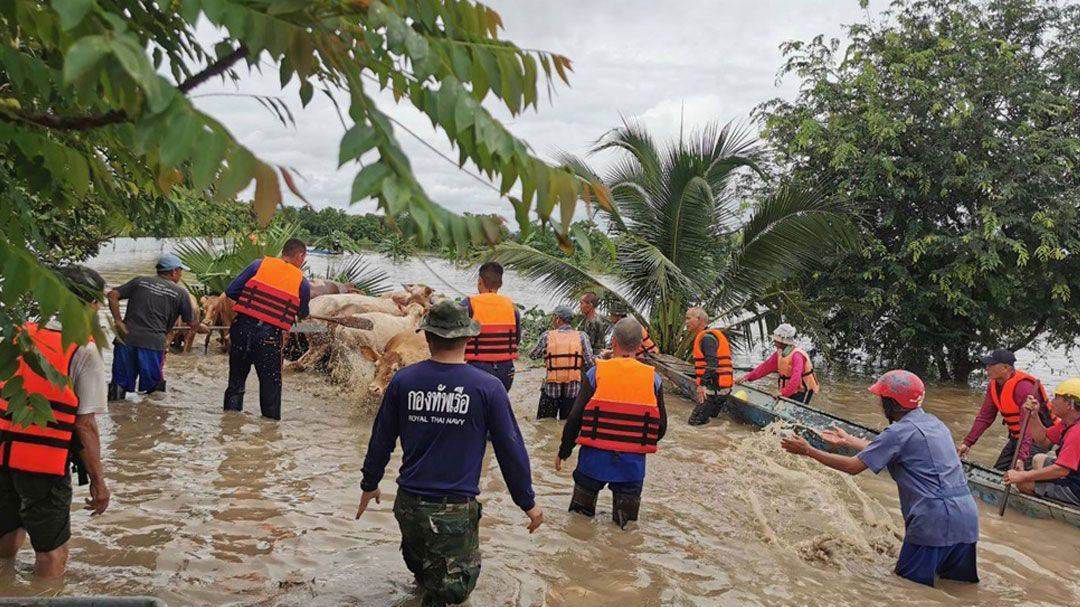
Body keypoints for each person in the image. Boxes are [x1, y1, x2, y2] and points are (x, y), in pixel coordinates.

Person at [356, 300, 543, 607]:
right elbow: (511, 451)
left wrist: (370, 484)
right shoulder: (489, 388)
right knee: (453, 590)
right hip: (453, 511)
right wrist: (528, 503)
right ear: (469, 339)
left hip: (409, 507)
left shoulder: (403, 380)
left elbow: (381, 439)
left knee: (425, 575)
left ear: (427, 338)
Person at [780, 370, 979, 588]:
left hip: (933, 520)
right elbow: (892, 449)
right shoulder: (936, 424)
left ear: (891, 403)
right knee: (960, 590)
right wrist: (849, 440)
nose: (879, 404)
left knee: (908, 590)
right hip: (967, 516)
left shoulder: (898, 432)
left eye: (881, 400)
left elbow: (854, 466)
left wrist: (808, 450)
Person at [0, 265, 111, 578]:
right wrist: (99, 483)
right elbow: (85, 425)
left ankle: (7, 587)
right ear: (88, 305)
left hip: (2, 453)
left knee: (6, 533)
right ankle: (43, 597)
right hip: (42, 464)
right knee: (52, 550)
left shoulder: (19, 333)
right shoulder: (84, 350)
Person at [555, 318, 667, 529]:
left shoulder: (595, 373)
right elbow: (660, 427)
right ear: (639, 345)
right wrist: (634, 442)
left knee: (579, 521)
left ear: (613, 341)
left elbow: (575, 418)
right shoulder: (653, 379)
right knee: (625, 528)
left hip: (592, 461)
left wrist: (564, 451)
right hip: (631, 466)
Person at [223, 239, 311, 420]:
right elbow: (302, 313)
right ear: (300, 256)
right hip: (268, 338)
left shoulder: (258, 265)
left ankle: (229, 425)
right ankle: (268, 435)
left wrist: (255, 303)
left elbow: (231, 291)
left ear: (283, 251)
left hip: (241, 331)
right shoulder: (301, 282)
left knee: (236, 383)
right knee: (271, 387)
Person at [106, 253, 203, 400]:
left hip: (125, 339)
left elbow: (112, 295)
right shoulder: (180, 293)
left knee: (118, 386)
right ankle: (152, 419)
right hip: (152, 344)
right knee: (154, 390)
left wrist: (118, 321)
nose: (181, 275)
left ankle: (117, 418)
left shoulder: (139, 281)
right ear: (173, 271)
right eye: (180, 271)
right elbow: (191, 323)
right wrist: (203, 328)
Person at [957, 349, 1052, 470]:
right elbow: (985, 418)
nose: (987, 368)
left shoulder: (1023, 387)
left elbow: (1027, 426)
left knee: (1019, 475)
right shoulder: (993, 385)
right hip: (1016, 437)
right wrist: (967, 443)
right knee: (999, 470)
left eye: (991, 365)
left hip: (1037, 439)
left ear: (1006, 368)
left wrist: (1021, 458)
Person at [1003, 378, 1080, 506]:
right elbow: (1043, 441)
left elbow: (1061, 470)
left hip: (1076, 488)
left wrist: (1024, 476)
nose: (1052, 401)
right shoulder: (1068, 422)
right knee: (1039, 458)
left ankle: (1050, 501)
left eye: (1056, 397)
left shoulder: (1076, 431)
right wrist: (1034, 416)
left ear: (1069, 404)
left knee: (1023, 484)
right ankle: (1044, 492)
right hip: (1074, 474)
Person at [462, 262, 520, 392]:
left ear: (480, 281)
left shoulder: (469, 303)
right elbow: (516, 339)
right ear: (500, 284)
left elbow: (454, 337)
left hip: (477, 367)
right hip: (506, 370)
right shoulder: (512, 306)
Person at [528, 305, 594, 420]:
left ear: (558, 319)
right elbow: (590, 363)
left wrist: (547, 354)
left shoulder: (547, 335)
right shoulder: (582, 336)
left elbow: (533, 355)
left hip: (551, 389)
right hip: (573, 390)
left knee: (544, 424)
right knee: (567, 424)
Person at [734, 323, 819, 404]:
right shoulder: (779, 354)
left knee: (799, 412)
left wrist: (782, 392)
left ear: (783, 342)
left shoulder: (797, 356)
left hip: (803, 390)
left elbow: (795, 379)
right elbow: (764, 368)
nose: (774, 341)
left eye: (776, 339)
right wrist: (745, 378)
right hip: (791, 389)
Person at [684, 307, 733, 425]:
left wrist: (702, 385)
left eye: (688, 318)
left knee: (694, 423)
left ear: (699, 319)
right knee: (710, 422)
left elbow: (712, 363)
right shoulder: (708, 336)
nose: (686, 322)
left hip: (714, 390)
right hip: (720, 388)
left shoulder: (707, 338)